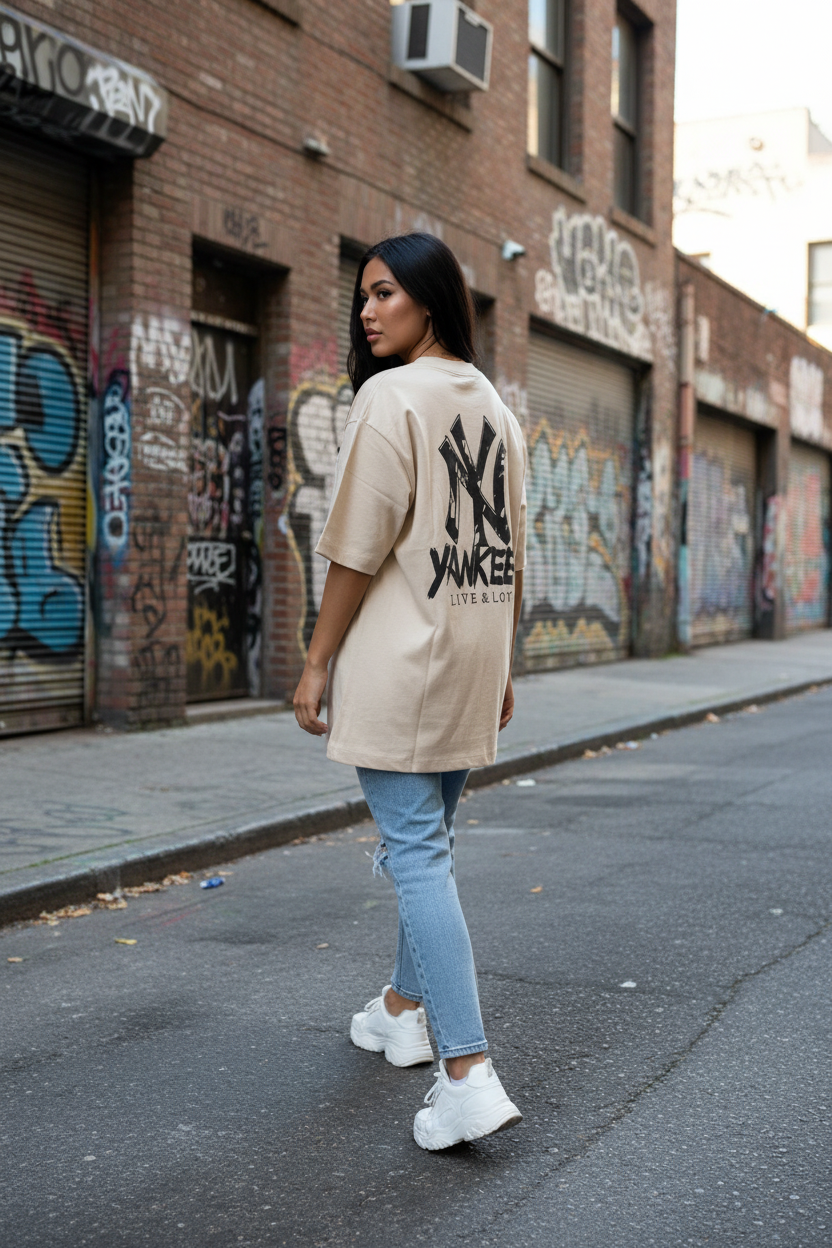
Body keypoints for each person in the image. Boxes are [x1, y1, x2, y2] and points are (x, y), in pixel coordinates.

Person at [293, 232, 527, 1150]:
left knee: (418, 856)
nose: (367, 310)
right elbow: (510, 547)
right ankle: (400, 1010)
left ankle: (466, 1073)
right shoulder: (494, 405)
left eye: (385, 292)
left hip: (402, 662)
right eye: (363, 295)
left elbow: (357, 548)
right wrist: (503, 662)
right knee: (426, 845)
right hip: (470, 658)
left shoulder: (390, 397)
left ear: (431, 299)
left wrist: (317, 659)